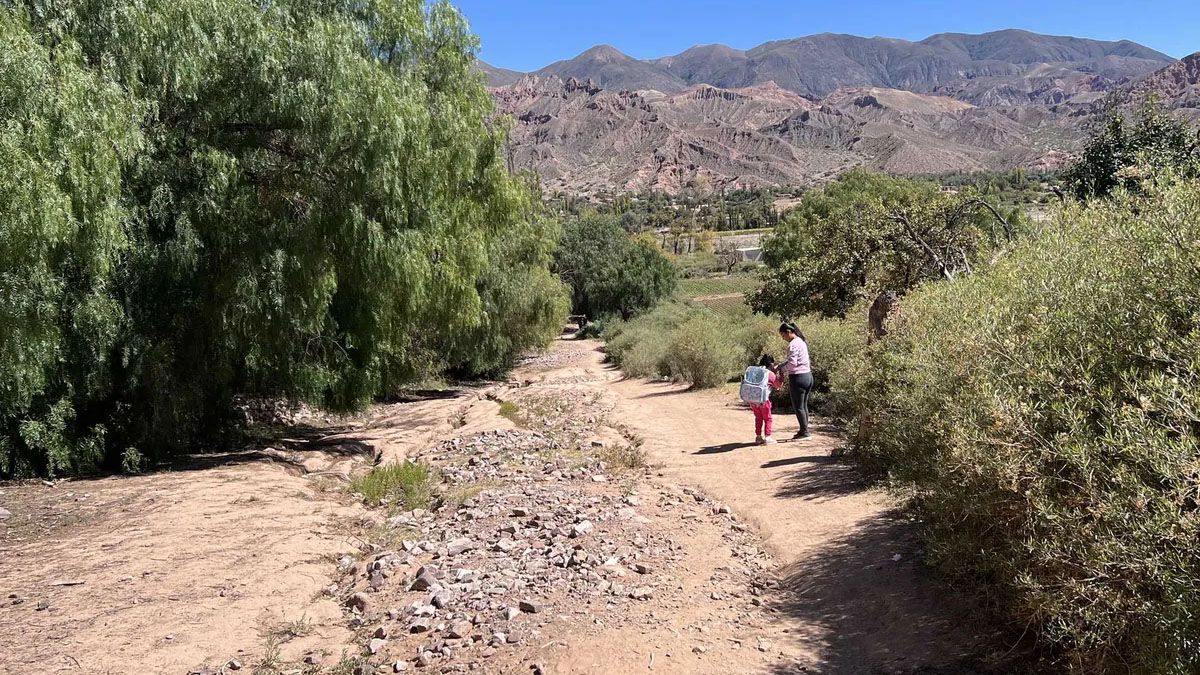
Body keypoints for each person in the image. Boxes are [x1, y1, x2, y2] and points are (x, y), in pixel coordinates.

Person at [778, 322, 812, 440]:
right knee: (804, 405)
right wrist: (781, 365)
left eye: (783, 336)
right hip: (807, 376)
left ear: (788, 332)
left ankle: (805, 432)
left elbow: (792, 364)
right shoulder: (801, 341)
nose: (783, 339)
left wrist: (782, 369)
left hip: (798, 378)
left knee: (799, 406)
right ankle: (804, 430)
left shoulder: (793, 344)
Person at [750, 355, 781, 445]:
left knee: (758, 418)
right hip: (764, 400)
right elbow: (778, 385)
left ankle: (758, 437)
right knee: (768, 418)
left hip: (753, 400)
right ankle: (768, 437)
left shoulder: (754, 372)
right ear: (771, 364)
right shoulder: (769, 374)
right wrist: (780, 374)